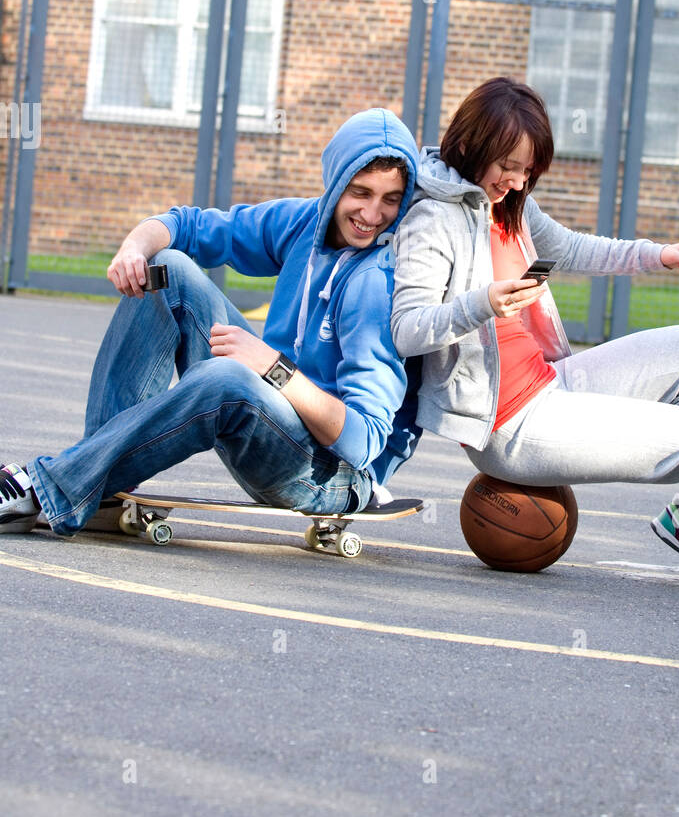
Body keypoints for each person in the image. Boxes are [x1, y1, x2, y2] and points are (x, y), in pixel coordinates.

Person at [390, 77, 679, 619]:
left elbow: (570, 248)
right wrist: (484, 303)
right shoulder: (433, 218)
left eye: (528, 171)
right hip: (506, 424)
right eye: (509, 166)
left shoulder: (507, 205)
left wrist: (656, 256)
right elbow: (408, 326)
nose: (518, 181)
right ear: (471, 144)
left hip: (549, 383)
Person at [0, 107, 421, 536]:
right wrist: (133, 249)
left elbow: (363, 442)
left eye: (391, 199)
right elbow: (189, 226)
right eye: (360, 192)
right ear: (334, 185)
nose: (372, 214)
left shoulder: (377, 283)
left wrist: (273, 368)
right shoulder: (305, 223)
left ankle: (48, 486)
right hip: (272, 416)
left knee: (226, 378)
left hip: (325, 475)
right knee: (167, 271)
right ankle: (102, 489)